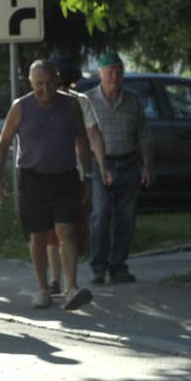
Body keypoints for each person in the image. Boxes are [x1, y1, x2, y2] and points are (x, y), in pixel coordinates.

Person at [0, 59, 94, 311]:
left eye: (50, 83)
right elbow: (3, 144)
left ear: (58, 81)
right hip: (32, 178)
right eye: (39, 84)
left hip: (65, 177)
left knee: (66, 233)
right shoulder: (21, 107)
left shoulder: (70, 105)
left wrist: (88, 176)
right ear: (30, 82)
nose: (45, 89)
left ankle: (71, 288)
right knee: (37, 237)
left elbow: (82, 139)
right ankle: (42, 289)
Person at [44, 57, 113, 294]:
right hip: (73, 174)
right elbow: (93, 135)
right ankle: (65, 282)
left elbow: (92, 135)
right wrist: (98, 168)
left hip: (53, 172)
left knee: (54, 232)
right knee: (66, 232)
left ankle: (57, 280)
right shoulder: (79, 101)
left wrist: (99, 167)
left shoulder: (48, 101)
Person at [85, 51, 152, 285]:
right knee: (101, 214)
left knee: (126, 217)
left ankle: (118, 266)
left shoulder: (133, 100)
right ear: (100, 74)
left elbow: (143, 135)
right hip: (99, 164)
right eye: (109, 71)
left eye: (118, 71)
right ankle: (98, 268)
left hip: (129, 163)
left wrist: (146, 166)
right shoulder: (89, 100)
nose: (114, 76)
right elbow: (83, 137)